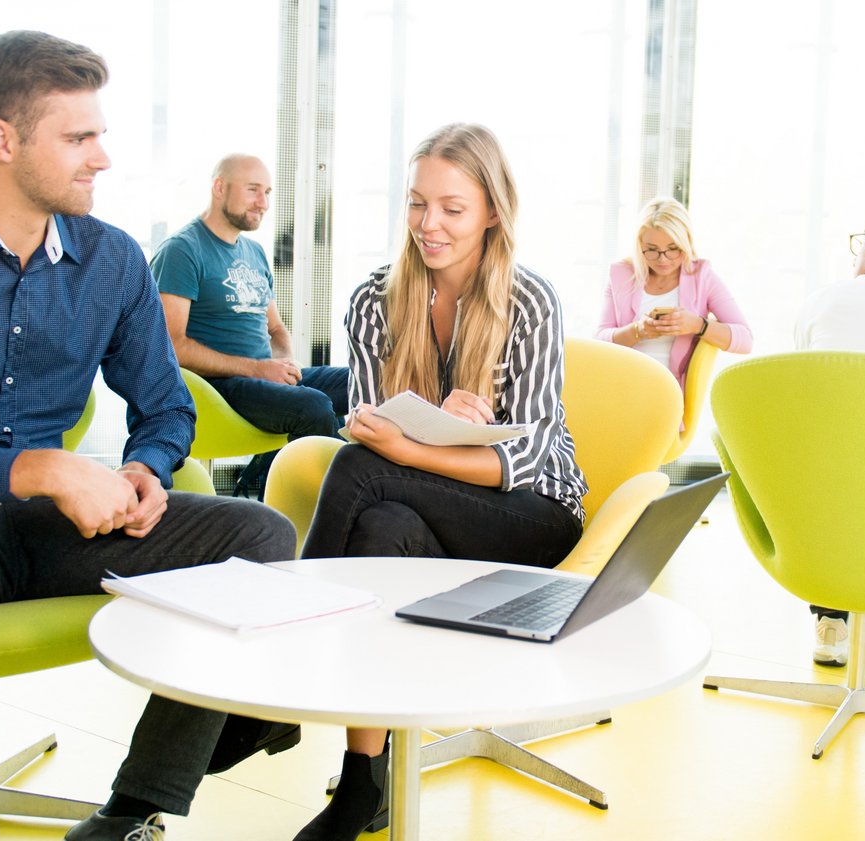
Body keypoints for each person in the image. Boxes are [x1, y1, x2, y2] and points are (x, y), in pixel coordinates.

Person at [0, 31, 297, 841]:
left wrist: (147, 467)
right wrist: (34, 469)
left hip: (44, 535)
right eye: (78, 138)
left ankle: (134, 810)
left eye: (100, 135)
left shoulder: (112, 262)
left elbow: (166, 405)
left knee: (260, 531)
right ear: (1, 139)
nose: (102, 158)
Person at [291, 123, 588, 841]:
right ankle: (364, 782)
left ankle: (280, 669)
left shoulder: (530, 303)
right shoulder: (372, 301)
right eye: (417, 203)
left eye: (453, 208)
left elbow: (518, 463)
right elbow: (373, 430)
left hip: (534, 514)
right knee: (379, 525)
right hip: (421, 507)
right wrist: (424, 434)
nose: (430, 225)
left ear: (492, 211)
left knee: (361, 470)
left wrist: (411, 446)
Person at [152, 154, 349, 497]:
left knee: (359, 381)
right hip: (219, 386)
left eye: (268, 192)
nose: (264, 202)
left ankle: (265, 472)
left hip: (262, 376)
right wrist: (259, 369)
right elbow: (172, 345)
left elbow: (276, 330)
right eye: (253, 190)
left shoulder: (253, 252)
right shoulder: (182, 251)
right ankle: (322, 504)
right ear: (219, 188)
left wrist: (285, 364)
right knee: (313, 407)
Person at [792, 212, 865, 668]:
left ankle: (832, 620)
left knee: (832, 458)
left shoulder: (822, 302)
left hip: (826, 505)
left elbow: (799, 389)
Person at [596, 197, 752, 389]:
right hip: (621, 383)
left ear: (686, 243)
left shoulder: (702, 277)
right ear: (639, 246)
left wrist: (697, 325)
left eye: (673, 249)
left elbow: (745, 340)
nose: (663, 260)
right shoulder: (621, 274)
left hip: (668, 391)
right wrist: (638, 331)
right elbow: (599, 341)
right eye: (652, 250)